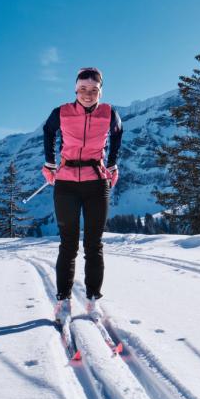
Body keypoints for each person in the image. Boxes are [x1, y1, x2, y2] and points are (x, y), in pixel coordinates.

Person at [42, 67, 123, 324]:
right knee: (68, 244)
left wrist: (112, 164)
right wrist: (49, 163)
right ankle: (63, 301)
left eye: (94, 90)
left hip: (96, 183)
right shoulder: (62, 112)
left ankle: (92, 301)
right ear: (76, 90)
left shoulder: (109, 113)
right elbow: (48, 131)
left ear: (100, 91)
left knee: (94, 244)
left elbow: (118, 134)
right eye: (83, 89)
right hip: (65, 182)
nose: (88, 94)